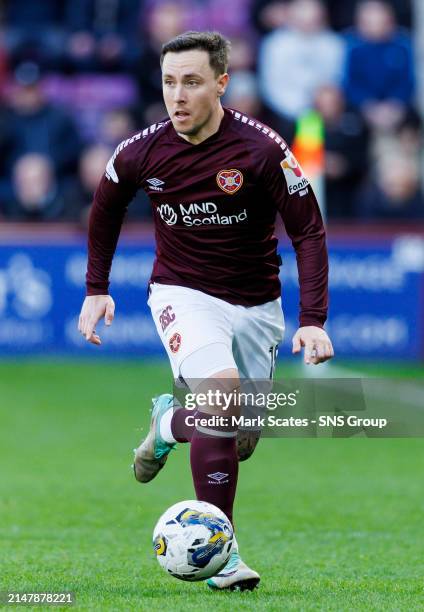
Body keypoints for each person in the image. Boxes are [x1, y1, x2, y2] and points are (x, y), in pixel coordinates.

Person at [78, 31, 334, 591]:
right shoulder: (141, 150)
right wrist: (96, 286)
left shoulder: (263, 150)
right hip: (182, 293)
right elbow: (106, 207)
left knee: (239, 437)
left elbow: (308, 232)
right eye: (169, 82)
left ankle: (167, 424)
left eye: (192, 82)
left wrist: (312, 318)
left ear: (222, 83)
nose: (178, 96)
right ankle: (227, 555)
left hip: (257, 304)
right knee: (220, 402)